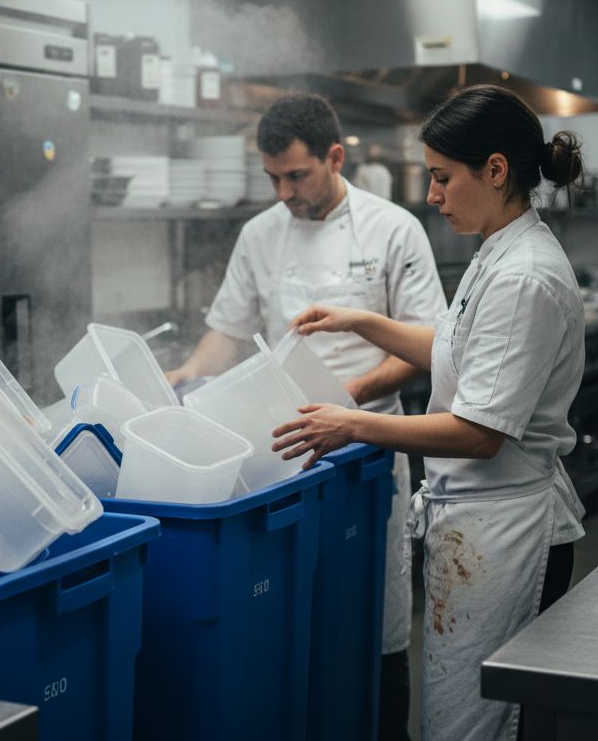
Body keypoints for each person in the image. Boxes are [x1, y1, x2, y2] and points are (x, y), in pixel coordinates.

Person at [269, 84, 587, 741]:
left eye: (443, 177)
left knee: (479, 727)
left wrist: (350, 422)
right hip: (475, 525)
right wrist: (363, 320)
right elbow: (451, 346)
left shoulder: (525, 273)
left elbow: (478, 434)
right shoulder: (496, 248)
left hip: (508, 535)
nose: (433, 194)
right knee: (452, 714)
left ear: (495, 170)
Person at [165, 92, 446, 741]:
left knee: (373, 615)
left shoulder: (392, 228)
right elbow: (226, 333)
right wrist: (188, 372)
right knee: (287, 608)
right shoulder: (260, 234)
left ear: (335, 157)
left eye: (297, 175)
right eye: (272, 178)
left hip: (367, 450)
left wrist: (346, 398)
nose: (284, 191)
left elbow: (427, 343)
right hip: (284, 453)